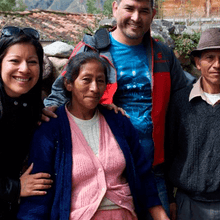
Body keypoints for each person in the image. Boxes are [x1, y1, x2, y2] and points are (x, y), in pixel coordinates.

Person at [42, 0, 196, 217]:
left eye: (143, 11)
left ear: (152, 14)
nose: (136, 17)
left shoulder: (162, 54)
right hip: (106, 173)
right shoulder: (91, 50)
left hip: (153, 170)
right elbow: (58, 96)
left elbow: (184, 96)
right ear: (115, 8)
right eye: (129, 8)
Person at [17, 52, 170, 220]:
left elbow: (143, 173)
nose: (94, 88)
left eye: (100, 81)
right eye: (86, 79)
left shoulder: (119, 122)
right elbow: (39, 191)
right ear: (69, 83)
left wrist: (160, 215)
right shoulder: (51, 129)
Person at [165, 27, 220, 220]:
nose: (217, 65)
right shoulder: (180, 101)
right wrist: (169, 198)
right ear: (197, 62)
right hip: (187, 203)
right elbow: (168, 151)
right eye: (210, 57)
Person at [0, 26, 53, 219]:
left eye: (32, 62)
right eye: (14, 60)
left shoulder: (29, 106)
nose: (24, 69)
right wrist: (16, 187)